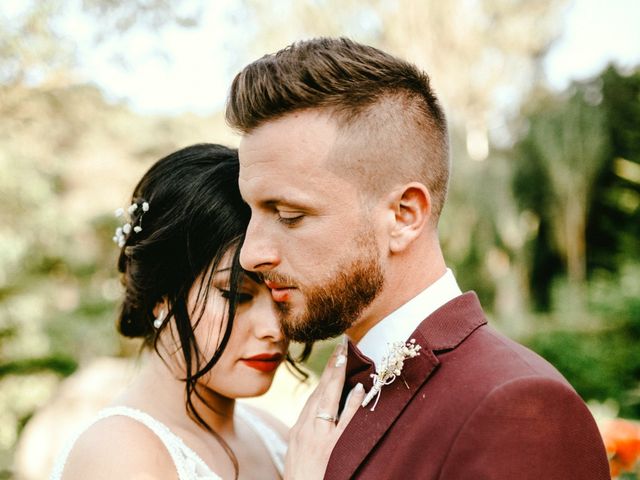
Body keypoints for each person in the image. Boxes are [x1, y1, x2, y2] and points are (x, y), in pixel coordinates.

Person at [225, 37, 611, 479]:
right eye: (252, 213)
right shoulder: (343, 386)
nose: (252, 254)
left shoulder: (521, 410)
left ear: (404, 216)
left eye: (290, 215)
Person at [50, 143, 363, 480]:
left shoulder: (275, 435)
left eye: (281, 294)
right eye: (235, 295)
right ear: (162, 293)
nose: (274, 328)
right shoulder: (116, 453)